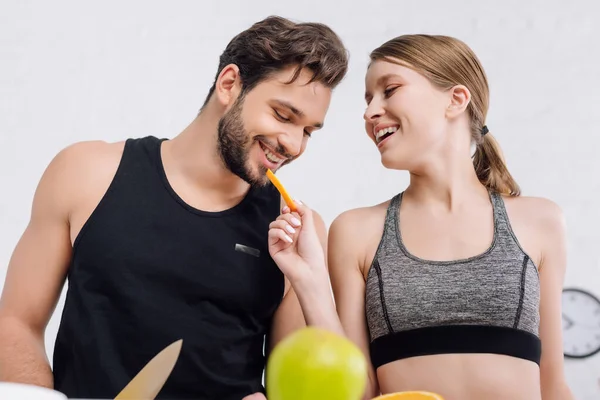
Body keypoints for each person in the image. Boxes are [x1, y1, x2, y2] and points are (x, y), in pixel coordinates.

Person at [0, 15, 348, 400]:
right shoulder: (85, 173)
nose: (294, 144)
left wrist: (312, 282)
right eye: (284, 115)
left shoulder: (296, 231)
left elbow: (305, 391)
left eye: (308, 131)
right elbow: (16, 324)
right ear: (230, 84)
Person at [265, 34, 574, 400]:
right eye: (367, 100)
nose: (369, 112)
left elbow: (553, 386)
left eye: (389, 90)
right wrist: (309, 278)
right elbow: (357, 390)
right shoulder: (357, 231)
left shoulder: (540, 222)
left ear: (456, 100)